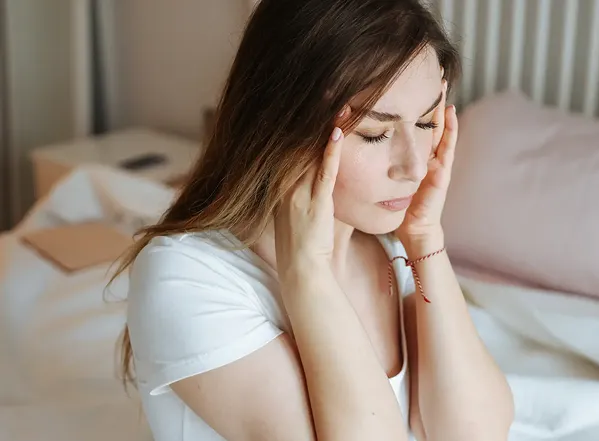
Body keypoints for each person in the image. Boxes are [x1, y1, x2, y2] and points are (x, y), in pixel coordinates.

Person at [112, 0, 514, 440]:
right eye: (374, 132)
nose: (415, 167)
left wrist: (425, 239)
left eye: (426, 123)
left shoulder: (384, 246)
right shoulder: (186, 278)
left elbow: (475, 433)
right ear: (281, 126)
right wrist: (307, 275)